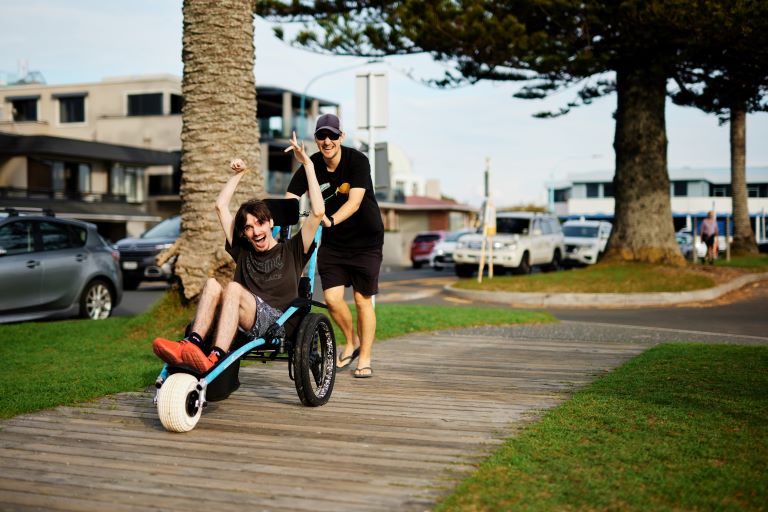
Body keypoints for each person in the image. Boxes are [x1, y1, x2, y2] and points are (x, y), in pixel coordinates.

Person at [153, 132, 324, 372]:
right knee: (212, 284)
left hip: (277, 321)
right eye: (248, 227)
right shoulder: (243, 251)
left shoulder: (293, 250)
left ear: (270, 223)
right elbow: (220, 206)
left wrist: (307, 163)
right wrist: (238, 175)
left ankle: (216, 357)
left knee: (232, 288)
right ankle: (191, 344)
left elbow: (317, 212)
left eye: (260, 224)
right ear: (244, 233)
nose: (256, 232)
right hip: (242, 316)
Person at [286, 113, 384, 379]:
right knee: (331, 299)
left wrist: (329, 220)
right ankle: (351, 341)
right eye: (321, 136)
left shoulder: (358, 161)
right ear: (316, 139)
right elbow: (290, 198)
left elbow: (354, 202)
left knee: (363, 300)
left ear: (341, 137)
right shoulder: (312, 164)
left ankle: (364, 357)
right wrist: (272, 218)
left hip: (366, 240)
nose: (327, 141)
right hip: (335, 242)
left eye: (332, 135)